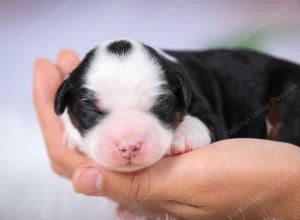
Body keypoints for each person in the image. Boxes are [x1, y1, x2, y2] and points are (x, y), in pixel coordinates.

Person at [33, 49, 300, 220]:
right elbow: (66, 113)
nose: (127, 143)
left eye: (155, 109)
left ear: (180, 96)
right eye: (97, 114)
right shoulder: (77, 96)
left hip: (282, 88)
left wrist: (287, 193)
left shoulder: (181, 84)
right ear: (65, 100)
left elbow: (210, 126)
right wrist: (73, 129)